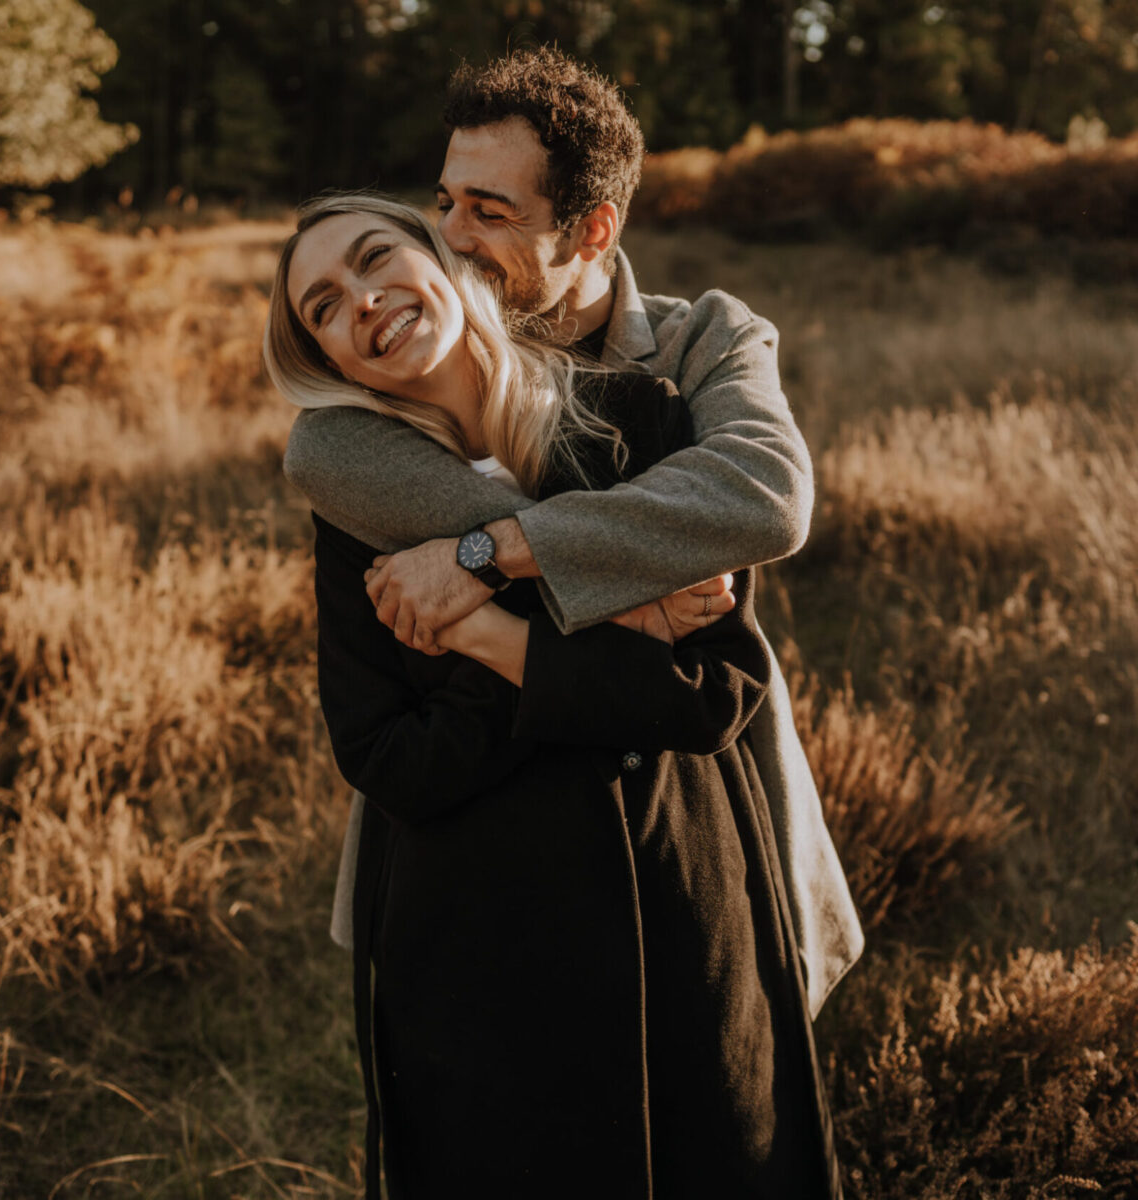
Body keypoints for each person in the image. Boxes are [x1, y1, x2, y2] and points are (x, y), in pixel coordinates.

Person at [264, 190, 843, 1198]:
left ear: (443, 258)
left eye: (372, 261)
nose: (360, 301)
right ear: (326, 357)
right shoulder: (356, 496)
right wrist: (553, 653)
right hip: (477, 935)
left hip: (679, 892)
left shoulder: (638, 424)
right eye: (323, 305)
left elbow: (710, 694)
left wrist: (480, 622)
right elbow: (383, 752)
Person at [282, 48, 863, 1021]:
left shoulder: (704, 340)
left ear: (593, 227)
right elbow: (324, 458)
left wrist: (492, 555)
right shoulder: (388, 392)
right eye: (446, 202)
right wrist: (636, 573)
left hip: (692, 808)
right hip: (478, 843)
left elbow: (764, 497)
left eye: (490, 211)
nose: (450, 240)